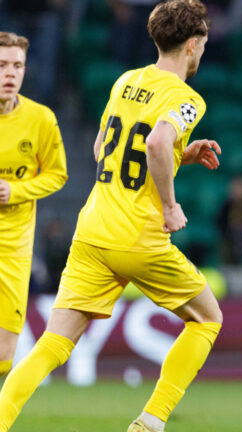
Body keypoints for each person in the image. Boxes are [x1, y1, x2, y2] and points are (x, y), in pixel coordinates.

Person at [0, 2, 224, 432]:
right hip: (138, 237)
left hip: (92, 230)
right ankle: (151, 420)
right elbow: (157, 144)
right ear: (193, 45)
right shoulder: (187, 98)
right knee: (207, 318)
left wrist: (183, 155)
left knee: (52, 342)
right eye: (204, 45)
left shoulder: (127, 81)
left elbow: (104, 148)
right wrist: (170, 205)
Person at [0, 31, 67, 379]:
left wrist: (17, 190)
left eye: (17, 66)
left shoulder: (40, 119)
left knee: (4, 357)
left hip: (13, 249)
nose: (10, 73)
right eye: (1, 65)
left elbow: (58, 175)